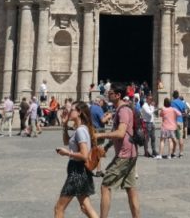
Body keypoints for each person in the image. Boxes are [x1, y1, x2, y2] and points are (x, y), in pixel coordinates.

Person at [99, 84, 140, 218]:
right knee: (131, 190)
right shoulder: (120, 110)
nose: (107, 95)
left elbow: (121, 133)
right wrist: (107, 146)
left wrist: (99, 135)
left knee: (105, 186)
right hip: (131, 154)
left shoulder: (123, 111)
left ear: (118, 95)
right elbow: (121, 132)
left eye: (110, 93)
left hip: (124, 155)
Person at [54, 101, 99, 218]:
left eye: (72, 110)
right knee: (85, 207)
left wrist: (67, 153)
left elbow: (84, 155)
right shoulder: (81, 129)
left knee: (59, 208)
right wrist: (64, 125)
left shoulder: (80, 130)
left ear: (79, 112)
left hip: (77, 173)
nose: (69, 112)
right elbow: (66, 141)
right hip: (80, 171)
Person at [170, 91, 187, 157]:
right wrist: (181, 114)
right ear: (178, 95)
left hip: (173, 121)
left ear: (173, 96)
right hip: (180, 121)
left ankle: (173, 152)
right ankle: (181, 152)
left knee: (173, 138)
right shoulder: (182, 103)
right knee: (180, 137)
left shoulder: (172, 102)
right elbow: (185, 112)